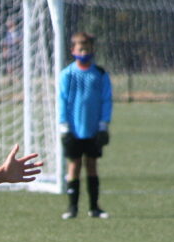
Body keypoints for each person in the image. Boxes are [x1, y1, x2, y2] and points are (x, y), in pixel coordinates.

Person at [58, 31, 112, 219]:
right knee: (74, 166)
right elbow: (62, 100)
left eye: (87, 48)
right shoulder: (67, 74)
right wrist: (63, 125)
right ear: (73, 50)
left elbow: (106, 100)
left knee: (92, 165)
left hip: (93, 129)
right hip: (73, 129)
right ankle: (72, 208)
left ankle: (94, 207)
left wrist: (104, 124)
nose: (84, 52)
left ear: (93, 50)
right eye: (81, 49)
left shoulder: (100, 74)